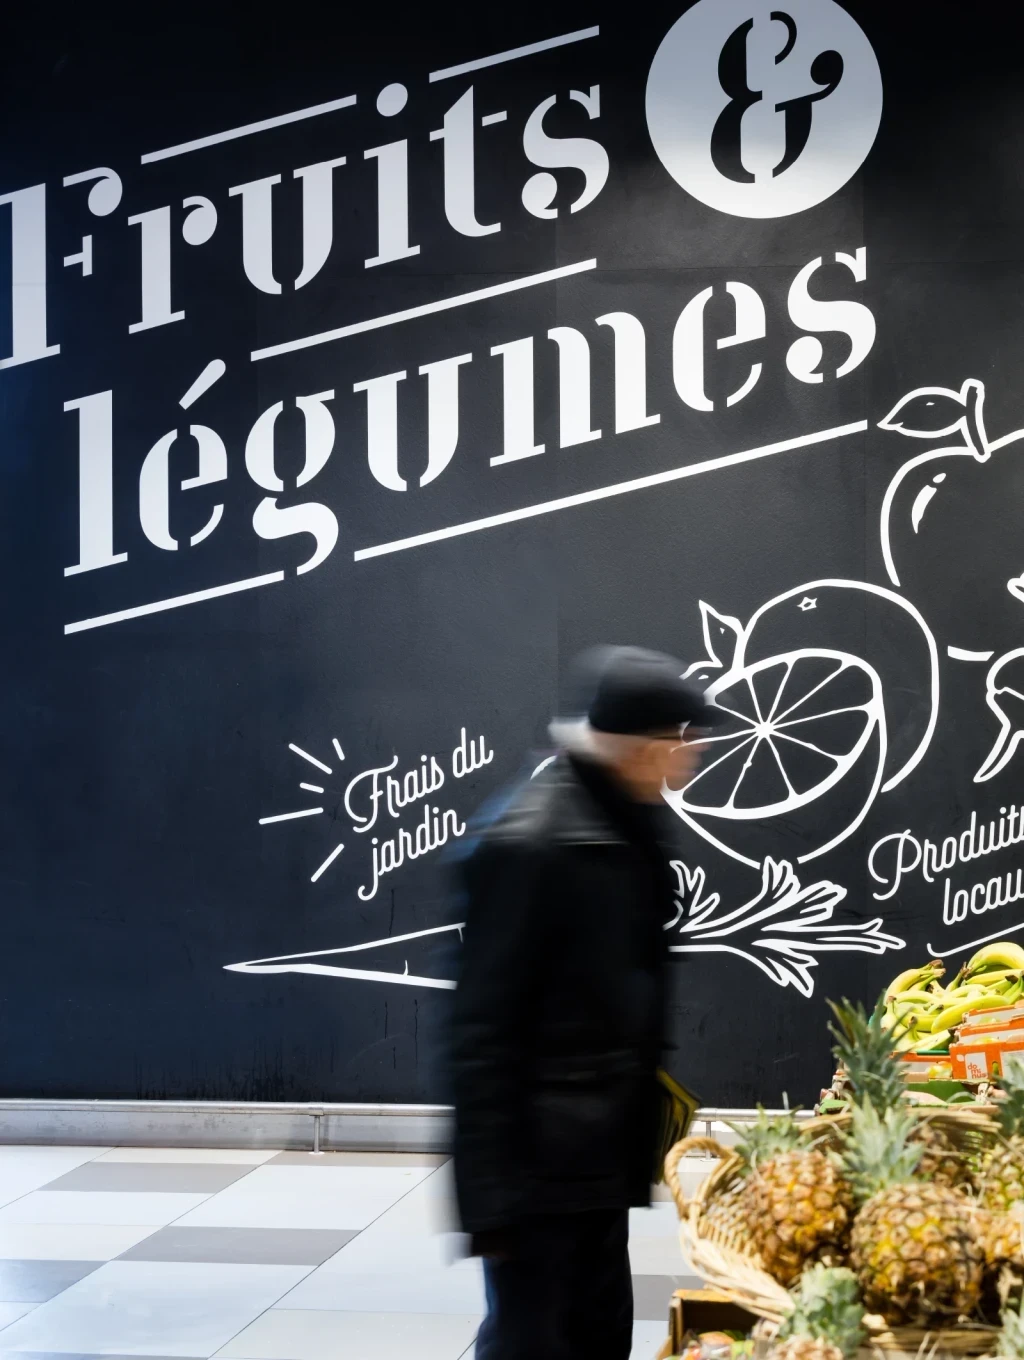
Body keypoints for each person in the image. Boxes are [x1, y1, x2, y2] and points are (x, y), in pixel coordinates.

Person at [446, 647, 721, 1360]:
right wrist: (488, 1206)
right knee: (530, 1343)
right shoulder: (530, 845)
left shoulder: (629, 823)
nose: (692, 756)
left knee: (598, 1337)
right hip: (537, 1175)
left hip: (598, 1161)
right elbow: (480, 1031)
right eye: (683, 741)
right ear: (643, 748)